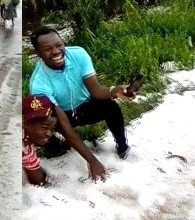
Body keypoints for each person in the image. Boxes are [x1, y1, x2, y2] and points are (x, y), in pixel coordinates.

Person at [29, 26, 131, 175]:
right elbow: (64, 125)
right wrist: (92, 161)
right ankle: (55, 143)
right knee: (44, 124)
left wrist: (114, 91)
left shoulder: (78, 54)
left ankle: (122, 147)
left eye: (59, 45)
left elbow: (95, 90)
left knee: (111, 106)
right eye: (48, 49)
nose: (56, 51)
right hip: (62, 115)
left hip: (85, 106)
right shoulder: (39, 84)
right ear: (38, 53)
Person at [23, 95, 57, 185]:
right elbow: (38, 181)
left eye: (52, 129)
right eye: (44, 128)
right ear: (26, 124)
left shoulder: (27, 141)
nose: (49, 134)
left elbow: (38, 176)